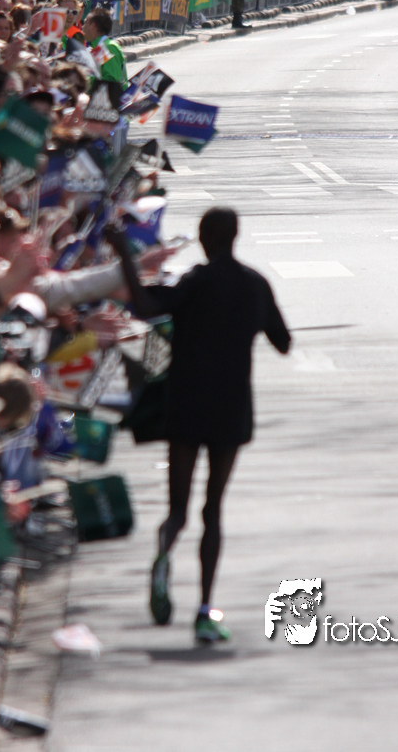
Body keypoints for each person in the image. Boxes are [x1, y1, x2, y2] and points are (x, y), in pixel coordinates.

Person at [108, 208, 291, 644]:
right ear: (236, 236)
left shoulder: (195, 281)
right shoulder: (255, 284)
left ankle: (163, 554)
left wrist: (125, 257)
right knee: (213, 510)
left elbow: (147, 307)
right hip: (231, 408)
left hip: (187, 403)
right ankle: (206, 610)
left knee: (178, 509)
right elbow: (283, 342)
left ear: (203, 239)